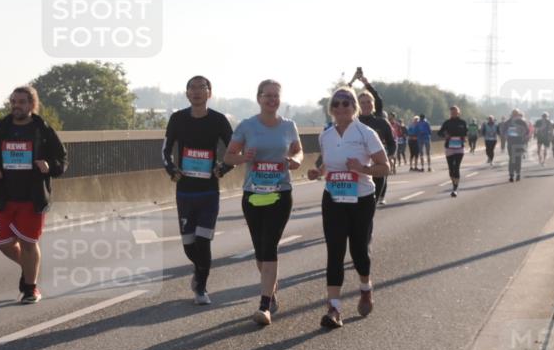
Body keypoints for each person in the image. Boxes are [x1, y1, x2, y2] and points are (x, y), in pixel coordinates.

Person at [306, 86, 389, 329]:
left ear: (354, 107)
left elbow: (385, 167)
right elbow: (327, 166)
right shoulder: (326, 135)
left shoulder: (366, 133)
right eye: (336, 104)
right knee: (335, 251)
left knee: (359, 251)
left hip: (361, 198)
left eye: (346, 103)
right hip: (333, 198)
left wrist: (362, 169)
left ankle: (365, 288)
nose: (341, 108)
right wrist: (317, 172)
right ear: (331, 109)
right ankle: (334, 308)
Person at [224, 80, 301, 325]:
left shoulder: (289, 126)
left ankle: (264, 305)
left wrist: (295, 159)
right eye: (267, 96)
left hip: (280, 192)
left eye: (276, 96)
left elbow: (298, 150)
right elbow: (227, 156)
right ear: (258, 98)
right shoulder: (247, 126)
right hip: (254, 194)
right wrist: (241, 157)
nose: (272, 100)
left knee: (269, 245)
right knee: (259, 249)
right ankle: (272, 290)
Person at [0, 85, 66, 304]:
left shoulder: (43, 129)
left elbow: (62, 160)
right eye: (13, 101)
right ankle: (29, 268)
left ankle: (30, 288)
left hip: (32, 197)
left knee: (29, 244)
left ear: (31, 104)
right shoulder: (0, 129)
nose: (16, 106)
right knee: (1, 241)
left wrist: (49, 166)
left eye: (21, 102)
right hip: (5, 196)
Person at [162, 75, 234, 305]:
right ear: (187, 93)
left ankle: (201, 287)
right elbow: (165, 150)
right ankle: (198, 270)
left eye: (201, 88)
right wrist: (171, 170)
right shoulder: (177, 119)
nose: (196, 92)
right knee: (189, 245)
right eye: (192, 88)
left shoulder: (218, 120)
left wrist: (223, 168)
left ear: (209, 93)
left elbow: (234, 149)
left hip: (209, 192)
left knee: (203, 242)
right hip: (184, 191)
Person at [357, 91, 395, 205]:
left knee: (371, 205)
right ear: (357, 105)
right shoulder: (353, 123)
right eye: (362, 103)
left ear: (373, 104)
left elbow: (392, 143)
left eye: (368, 102)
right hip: (358, 169)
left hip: (376, 167)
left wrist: (389, 156)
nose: (366, 105)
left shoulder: (382, 122)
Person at [438, 106, 468, 197]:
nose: (453, 114)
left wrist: (464, 138)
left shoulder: (462, 123)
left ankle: (455, 188)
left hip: (459, 147)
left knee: (456, 167)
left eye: (455, 112)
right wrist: (445, 135)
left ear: (458, 113)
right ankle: (453, 182)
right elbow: (439, 133)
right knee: (451, 169)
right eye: (452, 112)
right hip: (449, 147)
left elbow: (466, 132)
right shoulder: (447, 123)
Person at [504, 109, 530, 182]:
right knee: (516, 158)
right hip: (515, 143)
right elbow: (503, 131)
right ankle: (514, 174)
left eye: (516, 114)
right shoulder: (510, 122)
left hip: (517, 142)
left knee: (514, 158)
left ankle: (514, 174)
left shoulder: (521, 122)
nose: (515, 116)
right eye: (514, 114)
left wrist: (524, 136)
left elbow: (527, 132)